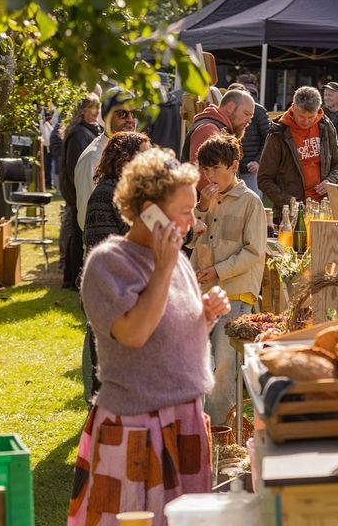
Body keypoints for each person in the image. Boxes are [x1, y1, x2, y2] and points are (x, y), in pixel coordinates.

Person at [69, 148, 231, 526]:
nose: (193, 222)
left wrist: (202, 319)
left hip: (185, 418)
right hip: (136, 426)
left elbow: (168, 339)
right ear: (148, 211)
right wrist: (163, 267)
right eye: (184, 211)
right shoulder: (109, 264)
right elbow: (135, 335)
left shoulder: (175, 262)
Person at [192, 134, 267, 426]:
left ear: (234, 165)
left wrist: (219, 271)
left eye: (215, 168)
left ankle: (221, 432)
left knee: (224, 367)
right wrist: (200, 209)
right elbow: (189, 240)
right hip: (202, 291)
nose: (209, 176)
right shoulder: (205, 200)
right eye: (205, 170)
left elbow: (254, 252)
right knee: (197, 362)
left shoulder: (250, 202)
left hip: (234, 294)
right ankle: (197, 427)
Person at [81, 131, 153, 402]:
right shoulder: (108, 194)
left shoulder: (135, 193)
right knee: (110, 380)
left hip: (131, 295)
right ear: (126, 159)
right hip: (113, 297)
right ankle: (102, 436)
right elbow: (105, 249)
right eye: (145, 155)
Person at [257, 86, 338, 223]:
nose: (306, 122)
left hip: (323, 209)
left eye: (311, 117)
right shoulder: (278, 133)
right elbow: (264, 179)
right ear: (293, 107)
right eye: (301, 116)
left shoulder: (326, 126)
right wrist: (292, 204)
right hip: (289, 215)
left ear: (318, 110)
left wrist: (330, 180)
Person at [75, 87, 137, 234]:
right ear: (107, 116)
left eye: (133, 113)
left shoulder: (136, 152)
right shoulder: (93, 158)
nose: (130, 120)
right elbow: (88, 219)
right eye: (122, 113)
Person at [60, 92, 103, 290]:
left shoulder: (87, 130)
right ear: (83, 111)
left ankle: (72, 277)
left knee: (77, 234)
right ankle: (72, 278)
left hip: (78, 191)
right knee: (78, 235)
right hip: (77, 192)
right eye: (93, 108)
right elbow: (74, 166)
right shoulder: (78, 134)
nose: (97, 112)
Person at [183, 89, 255, 192]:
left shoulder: (217, 128)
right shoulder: (209, 129)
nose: (249, 120)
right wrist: (226, 202)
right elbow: (203, 178)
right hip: (210, 205)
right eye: (246, 113)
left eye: (251, 116)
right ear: (230, 107)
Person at [228, 81, 270, 198]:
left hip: (251, 169)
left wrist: (258, 161)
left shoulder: (258, 111)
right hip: (233, 170)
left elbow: (269, 140)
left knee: (252, 203)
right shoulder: (229, 113)